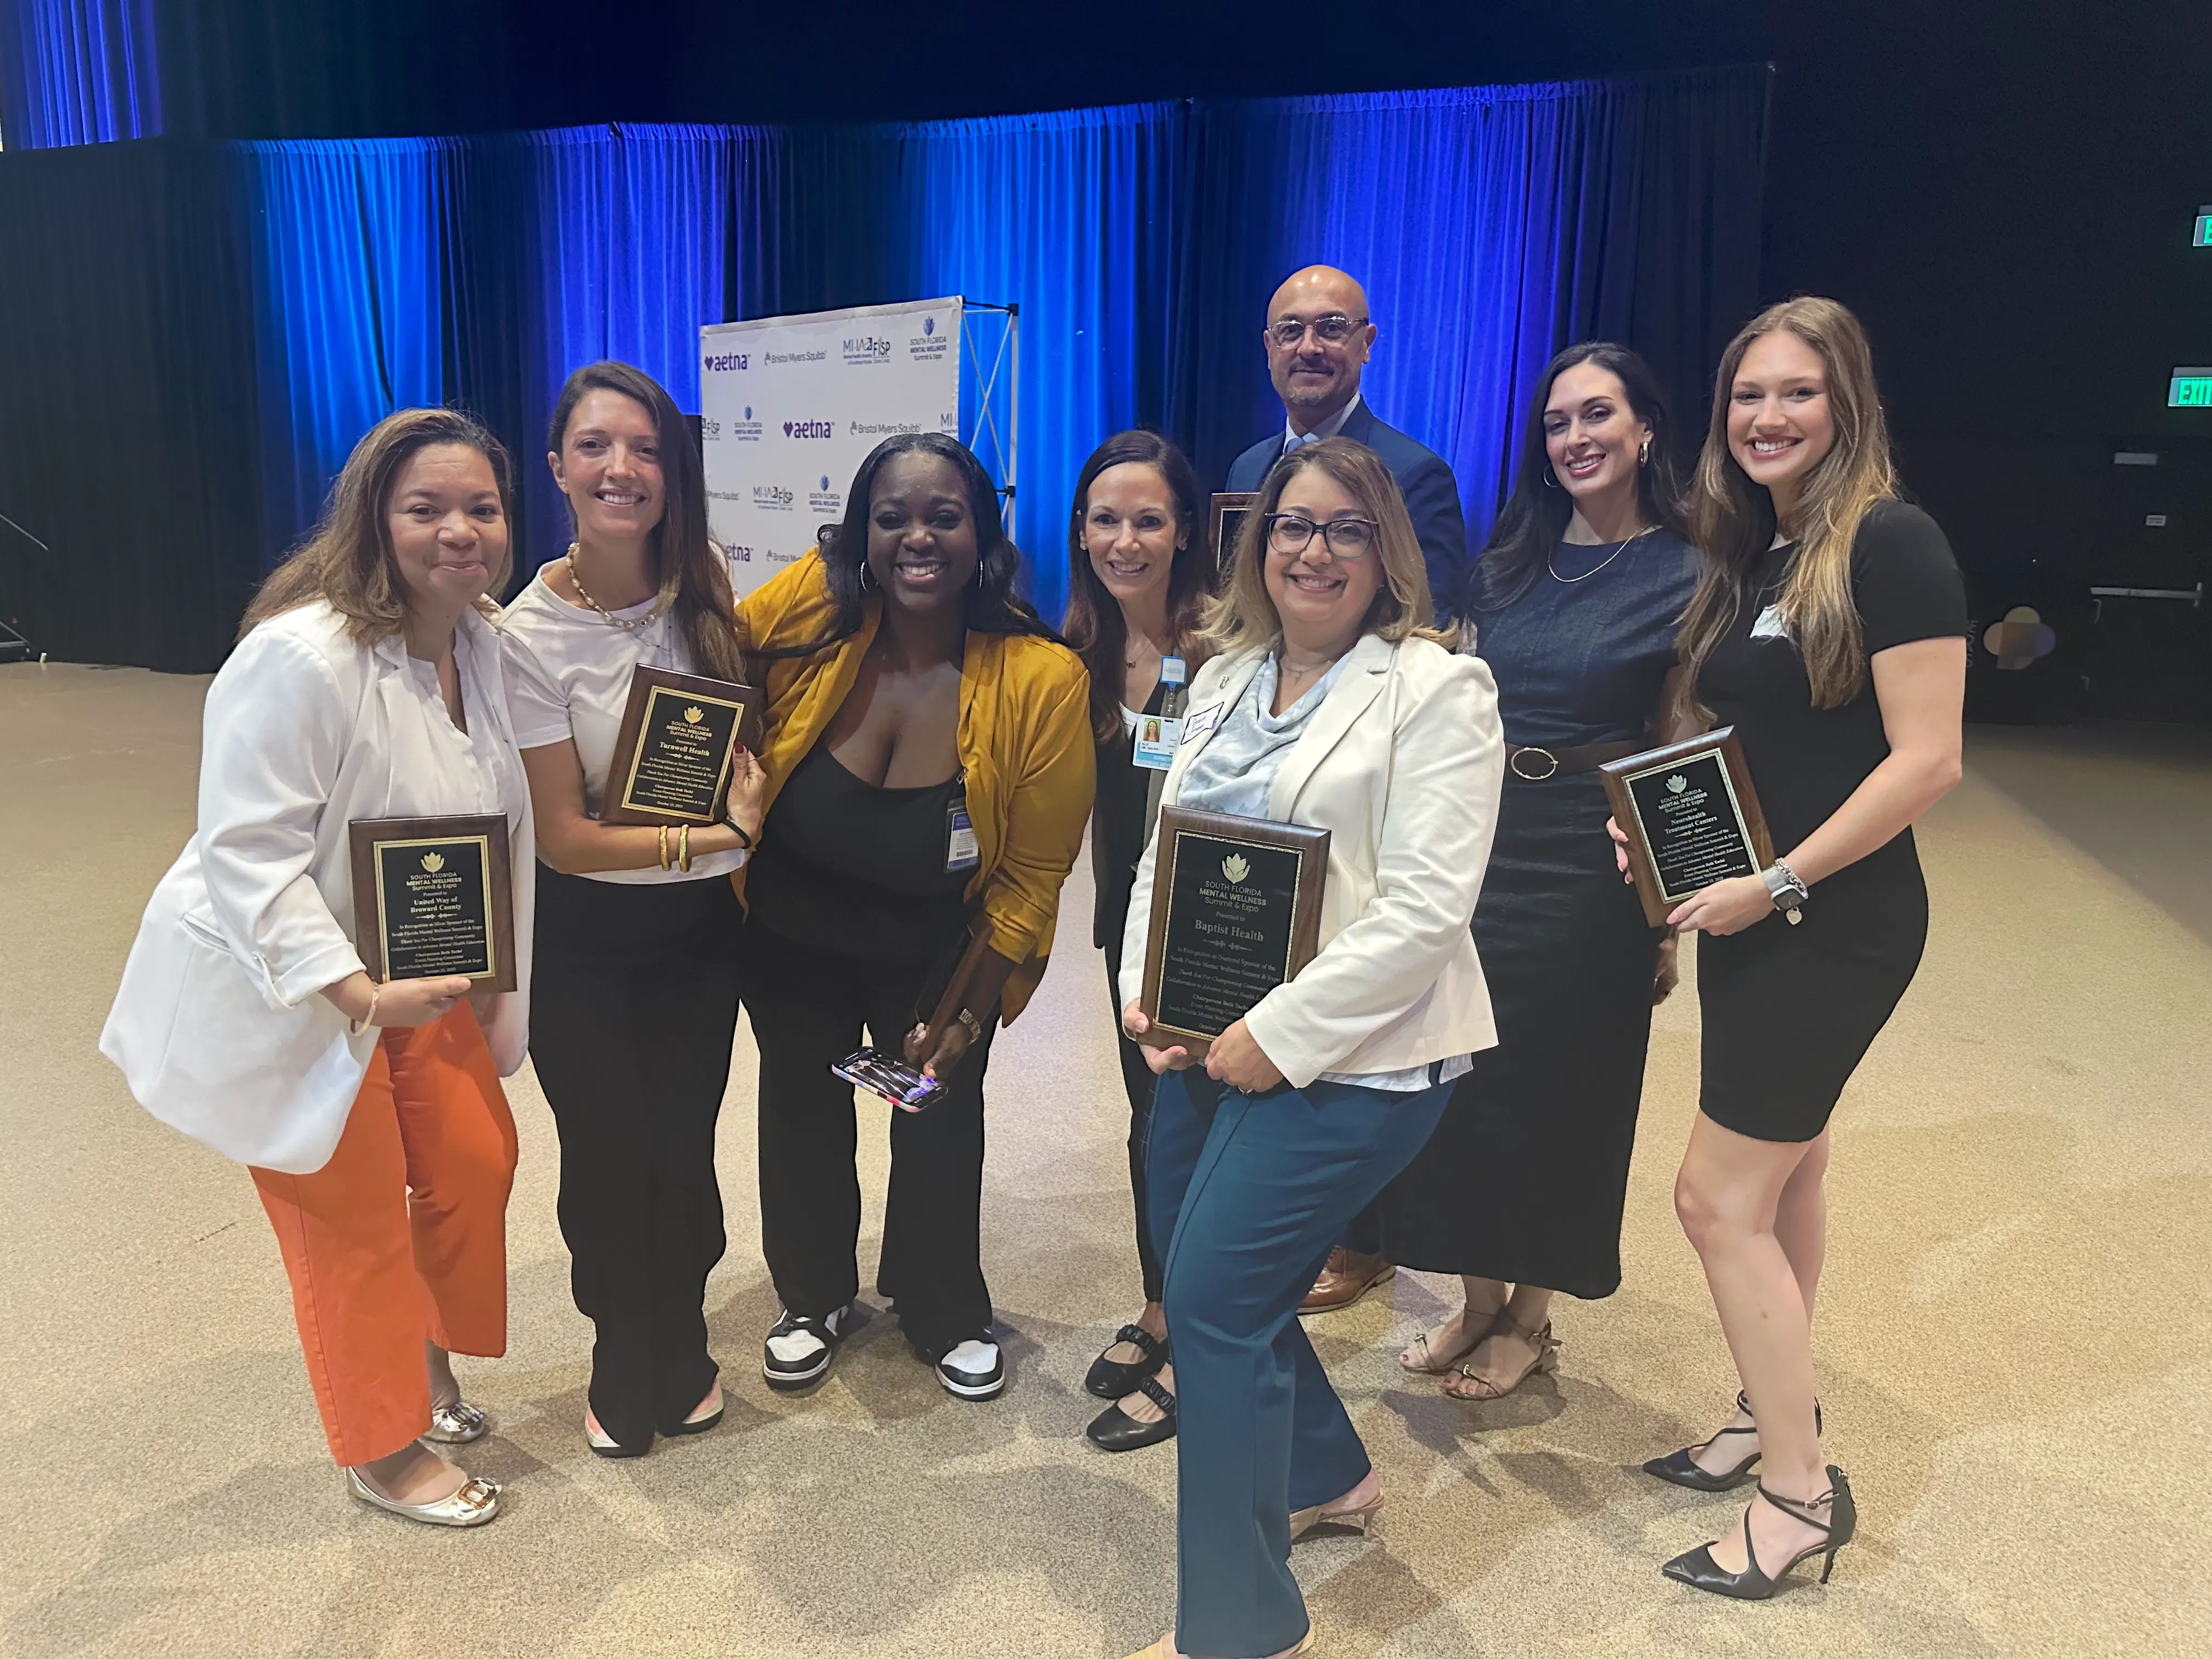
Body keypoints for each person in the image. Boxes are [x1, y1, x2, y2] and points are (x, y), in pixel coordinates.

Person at [100, 408, 534, 1527]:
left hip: (415, 979)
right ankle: (382, 1447)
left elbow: (499, 824)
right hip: (299, 988)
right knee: (350, 1224)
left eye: (480, 508)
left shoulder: (480, 644)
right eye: (425, 509)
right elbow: (247, 850)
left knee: (476, 1160)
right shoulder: (299, 656)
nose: (459, 531)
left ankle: (427, 1363)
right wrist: (353, 992)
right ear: (373, 523)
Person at [1119, 437, 1503, 1659]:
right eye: (1294, 525)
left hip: (1360, 1061)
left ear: (1384, 551)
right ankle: (1330, 1472)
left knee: (1215, 1303)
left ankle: (1241, 1626)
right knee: (1211, 1265)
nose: (1315, 550)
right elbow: (1159, 855)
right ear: (1259, 541)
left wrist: (1272, 1038)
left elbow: (1427, 912)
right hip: (1202, 1041)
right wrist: (1151, 997)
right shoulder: (1220, 676)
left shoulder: (1440, 690)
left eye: (1345, 529)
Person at [1617, 296, 1965, 1598]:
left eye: (1797, 394)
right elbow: (1762, 752)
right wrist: (1671, 849)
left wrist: (1774, 881)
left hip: (1839, 920)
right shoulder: (1763, 554)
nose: (1767, 416)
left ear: (1847, 404)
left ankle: (1798, 1499)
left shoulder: (1894, 540)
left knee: (1714, 1200)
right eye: (1747, 395)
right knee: (1791, 1175)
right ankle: (1775, 1423)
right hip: (1760, 912)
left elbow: (1930, 760)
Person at [1350, 342, 1698, 1402]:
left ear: (1644, 430)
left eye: (1599, 415)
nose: (1576, 438)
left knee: (1564, 1087)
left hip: (1592, 856)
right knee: (1467, 1077)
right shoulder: (1507, 561)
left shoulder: (1687, 569)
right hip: (1479, 840)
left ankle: (1530, 1316)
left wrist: (1665, 914)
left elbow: (1681, 735)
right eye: (1557, 422)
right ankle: (1474, 1297)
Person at [735, 432, 1093, 1401]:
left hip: (940, 942)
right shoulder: (816, 628)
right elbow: (721, 635)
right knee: (799, 1110)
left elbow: (1034, 870)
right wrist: (838, 558)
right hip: (788, 935)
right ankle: (811, 1295)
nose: (917, 536)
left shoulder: (1040, 679)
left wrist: (970, 1007)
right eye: (890, 516)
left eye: (944, 513)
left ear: (983, 531)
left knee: (940, 1118)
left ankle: (942, 1306)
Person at [501, 362, 769, 1457]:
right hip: (585, 945)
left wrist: (691, 835)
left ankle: (684, 1336)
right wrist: (721, 834)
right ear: (559, 467)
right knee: (609, 1155)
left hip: (700, 937)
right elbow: (567, 837)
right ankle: (623, 1347)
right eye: (599, 447)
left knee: (682, 1148)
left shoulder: (704, 585)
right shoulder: (523, 633)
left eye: (648, 448)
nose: (625, 468)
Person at [1059, 430, 1215, 1452]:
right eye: (1106, 519)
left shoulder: (1230, 645)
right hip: (1130, 929)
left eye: (1147, 518)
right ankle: (1163, 1308)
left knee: (1207, 1131)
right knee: (1149, 1122)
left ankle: (1206, 1343)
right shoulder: (1071, 651)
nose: (1126, 539)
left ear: (1185, 529)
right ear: (1080, 531)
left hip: (1223, 928)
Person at [1224, 264, 1468, 620]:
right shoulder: (1246, 470)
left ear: (1366, 344)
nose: (1309, 347)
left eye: (1331, 329)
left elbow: (1428, 625)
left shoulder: (1414, 476)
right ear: (1269, 347)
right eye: (1290, 331)